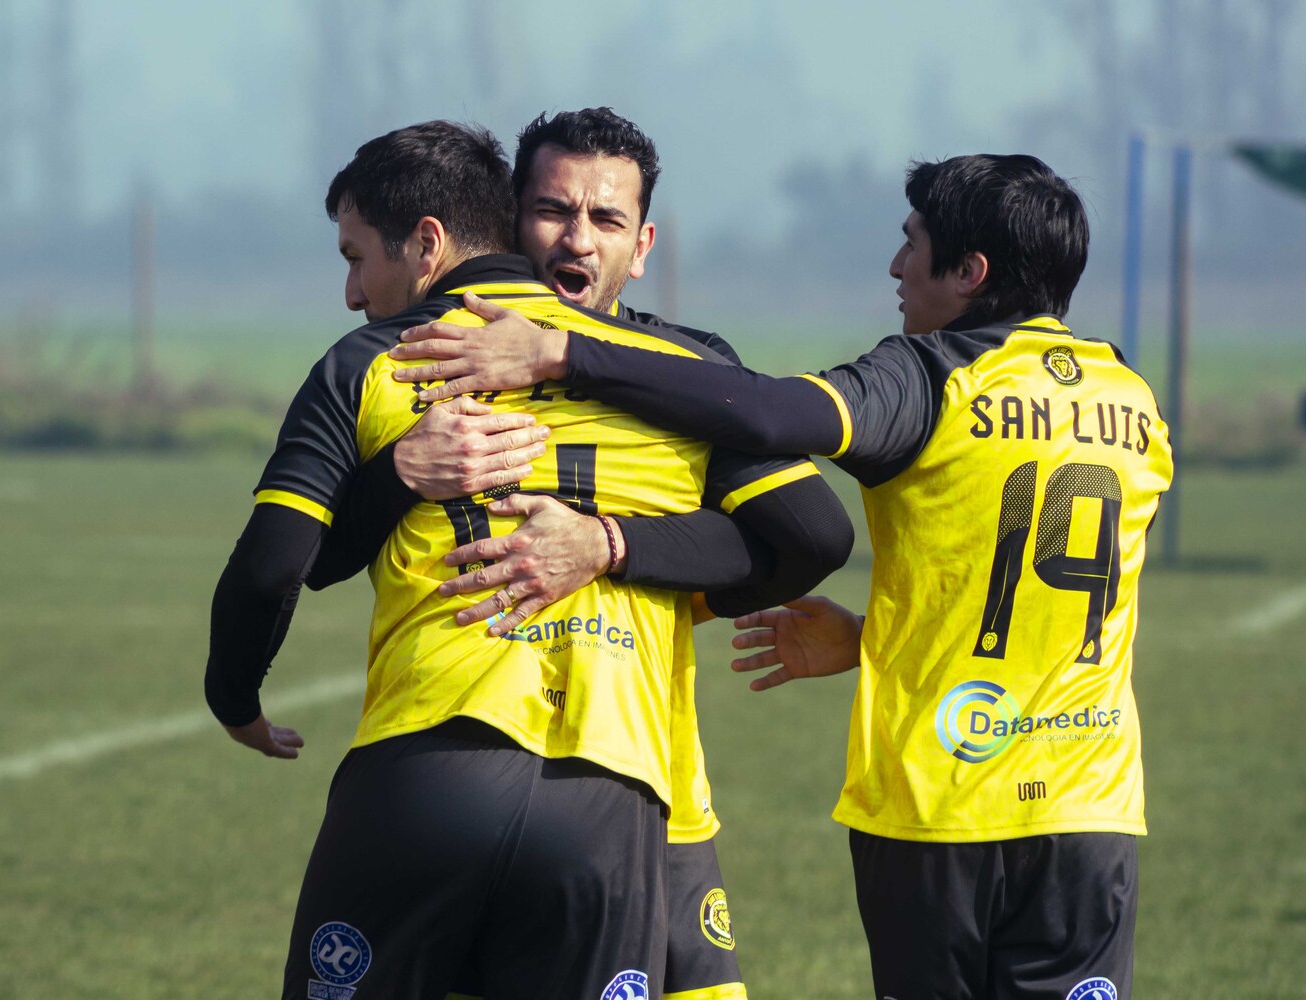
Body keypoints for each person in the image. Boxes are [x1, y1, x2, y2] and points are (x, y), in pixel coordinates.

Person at [389, 153, 1175, 1000]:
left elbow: (764, 414)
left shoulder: (931, 377)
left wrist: (562, 353)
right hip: (1092, 812)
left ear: (969, 273)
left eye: (913, 245)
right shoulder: (1131, 399)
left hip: (944, 806)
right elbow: (1035, 592)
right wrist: (878, 641)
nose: (896, 267)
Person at [203, 120, 849, 1000]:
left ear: (643, 245)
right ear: (510, 217)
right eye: (553, 210)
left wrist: (610, 545)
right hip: (611, 795)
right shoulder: (688, 373)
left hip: (430, 767)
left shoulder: (380, 361)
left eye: (605, 219)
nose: (577, 238)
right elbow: (814, 537)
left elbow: (278, 565)